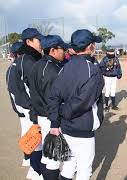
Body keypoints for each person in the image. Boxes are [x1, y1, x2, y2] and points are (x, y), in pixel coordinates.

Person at [47, 29, 104, 179]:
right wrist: (62, 113)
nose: (95, 47)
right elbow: (82, 102)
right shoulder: (93, 70)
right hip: (83, 128)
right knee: (84, 169)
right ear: (90, 46)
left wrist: (55, 120)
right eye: (94, 44)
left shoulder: (64, 66)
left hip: (65, 127)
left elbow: (53, 96)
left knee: (68, 165)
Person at [28, 35, 70, 179]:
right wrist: (55, 122)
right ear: (52, 50)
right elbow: (53, 100)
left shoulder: (36, 65)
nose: (64, 51)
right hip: (51, 118)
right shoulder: (53, 70)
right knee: (55, 158)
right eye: (62, 48)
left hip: (42, 116)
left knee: (48, 156)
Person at [7, 28, 44, 179]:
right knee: (37, 143)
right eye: (38, 39)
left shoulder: (21, 60)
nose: (41, 43)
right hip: (31, 109)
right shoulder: (28, 61)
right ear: (29, 42)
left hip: (26, 108)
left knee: (34, 141)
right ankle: (37, 172)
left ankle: (33, 170)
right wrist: (33, 108)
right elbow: (35, 89)